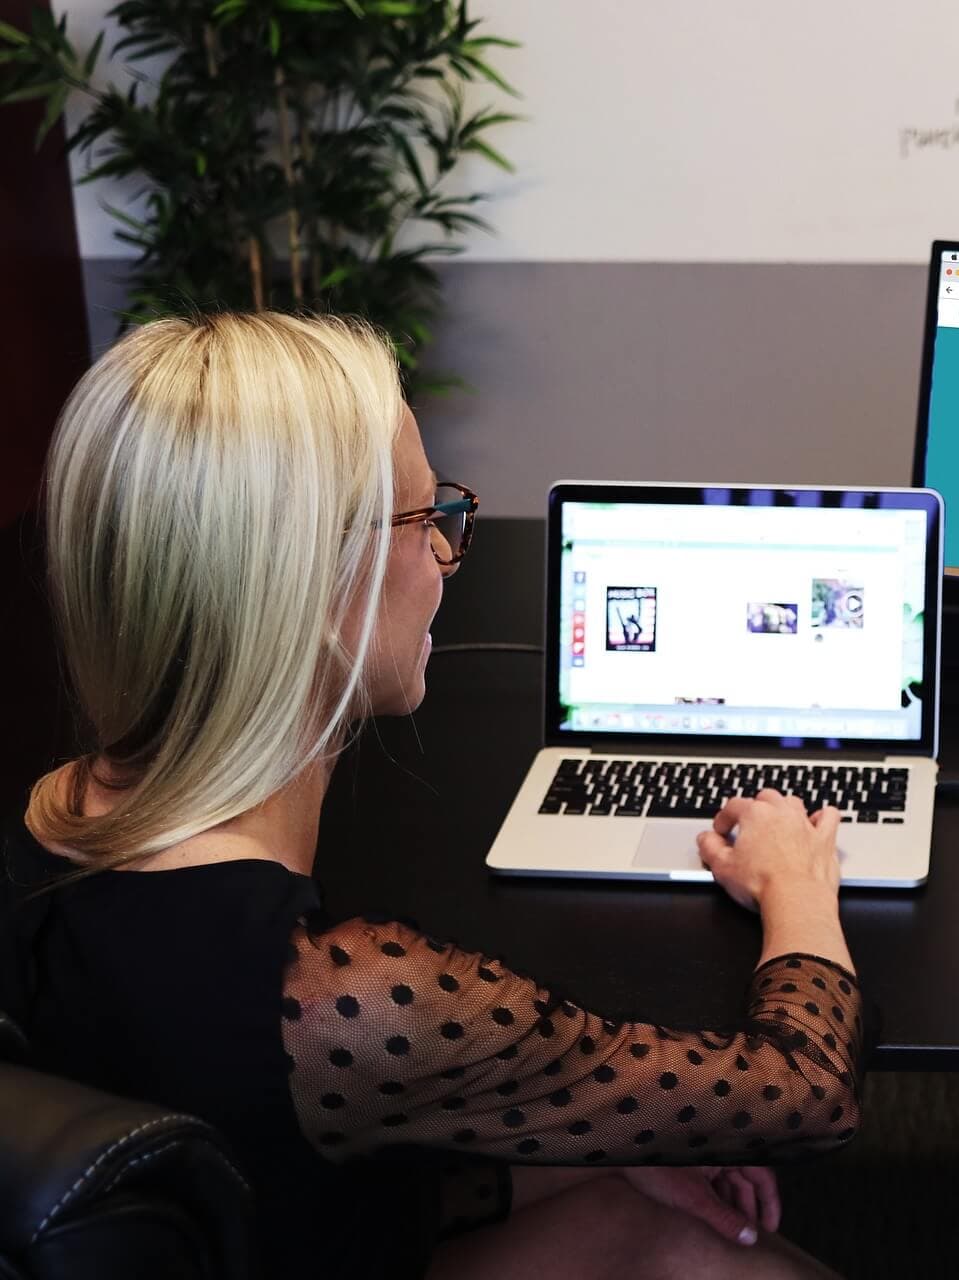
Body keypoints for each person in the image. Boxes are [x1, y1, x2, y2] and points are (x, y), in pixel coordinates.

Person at [0, 313, 863, 1280]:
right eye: (426, 520)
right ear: (311, 588)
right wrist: (798, 888)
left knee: (636, 1211)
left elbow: (264, 1165)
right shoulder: (351, 996)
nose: (450, 558)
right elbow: (807, 1092)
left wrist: (602, 1153)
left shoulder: (47, 821)